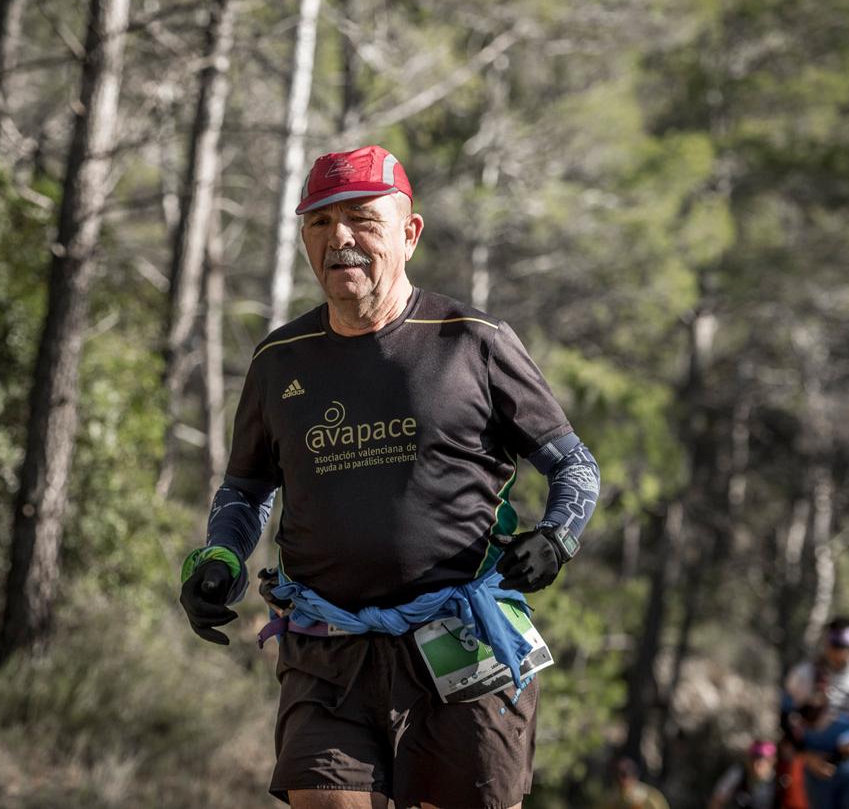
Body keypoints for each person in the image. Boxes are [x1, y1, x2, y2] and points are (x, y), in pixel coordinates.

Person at [178, 145, 600, 808]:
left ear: (410, 233)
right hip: (327, 651)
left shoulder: (473, 342)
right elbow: (246, 487)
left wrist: (558, 537)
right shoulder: (279, 359)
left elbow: (574, 464)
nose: (338, 238)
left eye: (360, 219)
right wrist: (222, 555)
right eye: (319, 222)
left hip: (466, 638)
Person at [780, 617, 849, 809]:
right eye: (835, 646)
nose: (840, 652)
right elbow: (785, 719)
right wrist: (807, 756)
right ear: (826, 643)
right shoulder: (803, 674)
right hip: (818, 766)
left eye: (845, 647)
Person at [709, 739, 776, 809]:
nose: (755, 766)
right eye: (752, 759)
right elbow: (717, 799)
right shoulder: (738, 773)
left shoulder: (778, 780)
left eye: (760, 762)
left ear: (771, 761)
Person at [600, 756, 670, 809]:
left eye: (624, 775)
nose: (622, 781)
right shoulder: (612, 799)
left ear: (635, 776)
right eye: (617, 776)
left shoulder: (651, 797)